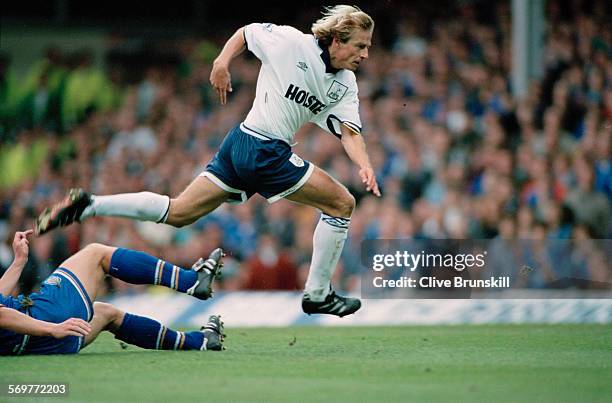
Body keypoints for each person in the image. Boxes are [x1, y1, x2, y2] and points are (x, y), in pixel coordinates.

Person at [35, 5, 380, 317]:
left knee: (179, 212)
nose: (365, 54)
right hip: (263, 149)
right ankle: (318, 293)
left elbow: (350, 132)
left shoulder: (345, 84)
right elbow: (246, 32)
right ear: (337, 39)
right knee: (342, 203)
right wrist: (221, 62)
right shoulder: (293, 43)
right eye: (360, 45)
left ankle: (90, 205)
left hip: (242, 142)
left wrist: (363, 164)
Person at [0, 230, 225, 355]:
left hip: (43, 346)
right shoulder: (51, 326)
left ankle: (201, 341)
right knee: (96, 254)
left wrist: (19, 262)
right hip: (46, 321)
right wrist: (53, 328)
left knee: (105, 313)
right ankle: (191, 281)